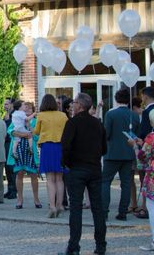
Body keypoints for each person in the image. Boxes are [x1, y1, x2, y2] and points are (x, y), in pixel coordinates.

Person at [59, 93, 107, 255]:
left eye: (74, 103)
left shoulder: (72, 123)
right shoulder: (97, 123)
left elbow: (65, 146)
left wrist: (67, 162)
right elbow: (104, 148)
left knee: (76, 208)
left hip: (77, 168)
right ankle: (101, 246)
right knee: (97, 208)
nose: (72, 105)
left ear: (80, 105)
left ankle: (74, 246)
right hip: (94, 168)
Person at [101, 87, 140, 221]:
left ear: (116, 100)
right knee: (126, 183)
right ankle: (123, 212)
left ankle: (104, 211)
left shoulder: (110, 114)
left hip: (112, 153)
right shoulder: (134, 115)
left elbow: (106, 134)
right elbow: (136, 135)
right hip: (128, 154)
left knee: (105, 182)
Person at [34, 93, 69, 218]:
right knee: (59, 178)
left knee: (50, 179)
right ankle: (60, 205)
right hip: (60, 147)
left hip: (47, 147)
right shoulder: (63, 115)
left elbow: (36, 131)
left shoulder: (41, 115)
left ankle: (52, 206)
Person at [9, 101, 41, 210]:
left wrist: (29, 131)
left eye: (29, 109)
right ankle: (20, 199)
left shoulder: (36, 121)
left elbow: (37, 136)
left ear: (32, 110)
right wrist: (23, 134)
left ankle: (36, 199)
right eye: (25, 108)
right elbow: (10, 131)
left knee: (33, 174)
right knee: (19, 173)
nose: (27, 110)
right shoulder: (18, 117)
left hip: (30, 150)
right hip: (19, 149)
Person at [129, 109, 154, 251]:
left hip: (153, 177)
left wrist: (135, 146)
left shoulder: (151, 137)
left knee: (152, 208)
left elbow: (142, 157)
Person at [137, 87, 154, 220]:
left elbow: (143, 132)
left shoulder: (147, 112)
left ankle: (144, 207)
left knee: (145, 180)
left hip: (148, 151)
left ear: (145, 96)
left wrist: (137, 142)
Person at [2, 98, 17, 199]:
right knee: (7, 168)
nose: (5, 106)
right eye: (4, 104)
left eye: (7, 104)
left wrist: (7, 121)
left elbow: (11, 130)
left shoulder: (14, 116)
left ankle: (14, 190)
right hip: (5, 143)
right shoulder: (6, 116)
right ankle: (10, 189)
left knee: (12, 168)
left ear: (12, 105)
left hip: (12, 143)